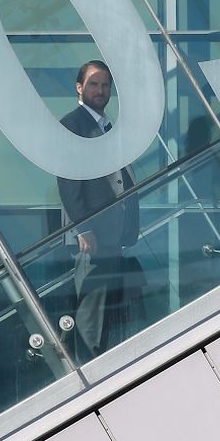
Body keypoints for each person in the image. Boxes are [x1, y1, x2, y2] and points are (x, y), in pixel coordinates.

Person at [56, 60, 143, 361]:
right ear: (79, 88)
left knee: (108, 308)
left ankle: (102, 363)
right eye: (93, 83)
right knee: (91, 308)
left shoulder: (109, 125)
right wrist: (84, 227)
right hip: (93, 235)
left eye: (105, 85)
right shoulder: (73, 125)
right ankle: (87, 369)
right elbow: (68, 183)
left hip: (114, 233)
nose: (101, 90)